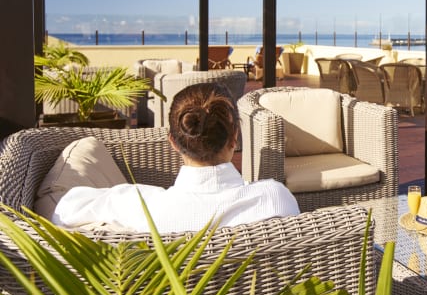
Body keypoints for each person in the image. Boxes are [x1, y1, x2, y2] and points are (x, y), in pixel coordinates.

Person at [52, 82, 299, 233]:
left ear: (172, 141)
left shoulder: (137, 206)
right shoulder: (275, 198)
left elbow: (62, 210)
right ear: (234, 138)